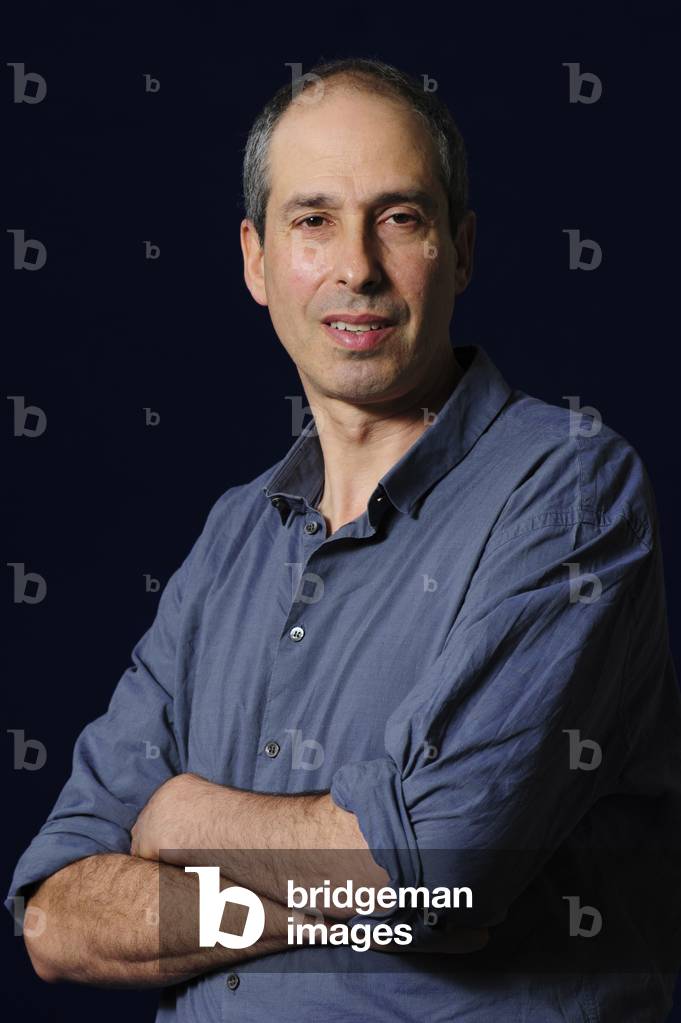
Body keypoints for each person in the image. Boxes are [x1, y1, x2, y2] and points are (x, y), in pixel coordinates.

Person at [6, 56, 681, 1022]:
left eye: (399, 217)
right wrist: (345, 900)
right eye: (313, 220)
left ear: (462, 246)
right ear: (256, 259)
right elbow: (57, 916)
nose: (355, 267)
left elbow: (443, 868)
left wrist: (178, 818)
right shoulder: (232, 538)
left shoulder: (568, 486)